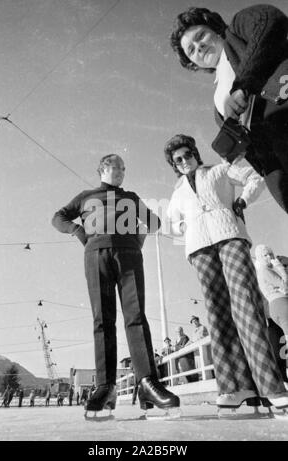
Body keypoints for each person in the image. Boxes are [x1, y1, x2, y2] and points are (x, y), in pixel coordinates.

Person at [165, 133, 288, 412]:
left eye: (187, 155)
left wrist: (242, 202)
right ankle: (235, 388)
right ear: (174, 164)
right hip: (199, 249)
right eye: (178, 159)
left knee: (245, 304)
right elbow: (172, 222)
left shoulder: (219, 169)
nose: (184, 161)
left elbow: (254, 179)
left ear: (195, 153)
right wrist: (187, 230)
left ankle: (271, 387)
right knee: (218, 313)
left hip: (230, 236)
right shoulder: (177, 191)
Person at [52, 154, 180, 415]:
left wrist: (137, 241)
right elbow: (58, 217)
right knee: (102, 320)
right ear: (102, 169)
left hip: (129, 256)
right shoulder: (86, 196)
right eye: (115, 167)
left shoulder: (131, 197)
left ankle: (147, 382)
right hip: (95, 255)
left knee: (136, 317)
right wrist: (78, 232)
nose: (121, 171)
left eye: (123, 168)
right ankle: (105, 387)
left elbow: (153, 222)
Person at [170, 4, 288, 214]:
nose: (199, 47)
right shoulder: (217, 102)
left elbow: (271, 21)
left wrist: (242, 86)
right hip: (277, 164)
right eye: (191, 50)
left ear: (215, 30)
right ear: (192, 63)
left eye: (201, 36)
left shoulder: (237, 28)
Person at [255, 244, 288, 383]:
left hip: (275, 309)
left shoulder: (270, 270)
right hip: (273, 312)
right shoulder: (265, 271)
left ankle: (282, 380)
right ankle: (282, 380)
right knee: (278, 349)